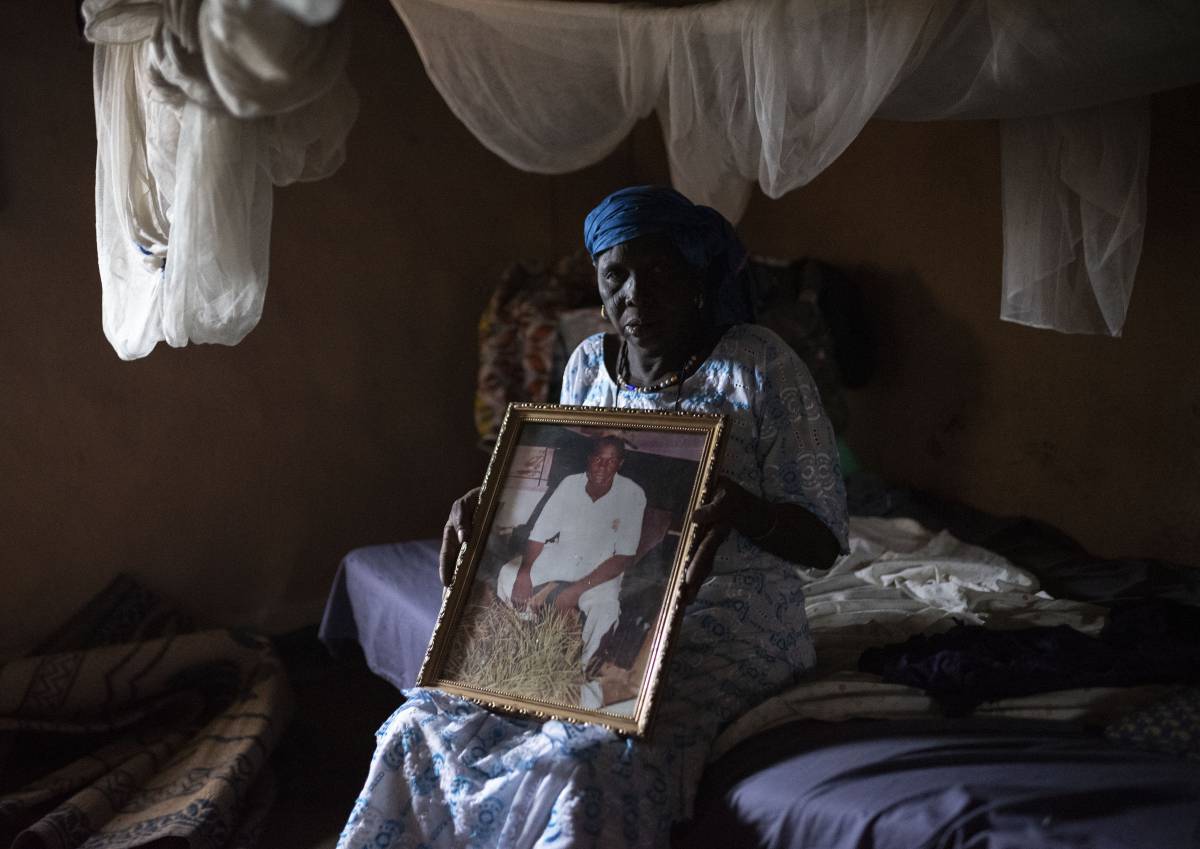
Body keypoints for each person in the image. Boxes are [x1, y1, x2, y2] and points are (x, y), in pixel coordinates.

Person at [336, 185, 849, 849]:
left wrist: (744, 508)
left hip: (726, 617)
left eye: (660, 271)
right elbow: (559, 490)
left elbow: (824, 539)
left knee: (588, 759)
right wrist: (491, 500)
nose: (636, 294)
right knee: (421, 725)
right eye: (617, 275)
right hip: (599, 596)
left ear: (698, 278)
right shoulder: (587, 364)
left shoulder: (758, 367)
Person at [496, 435, 647, 709]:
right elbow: (539, 533)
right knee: (508, 574)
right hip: (562, 552)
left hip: (603, 566)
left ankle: (583, 673)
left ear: (620, 464)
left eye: (611, 461)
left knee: (605, 610)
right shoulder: (569, 484)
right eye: (599, 459)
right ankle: (527, 633)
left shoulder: (633, 494)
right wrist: (525, 572)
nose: (603, 466)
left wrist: (575, 591)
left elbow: (624, 557)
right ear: (590, 460)